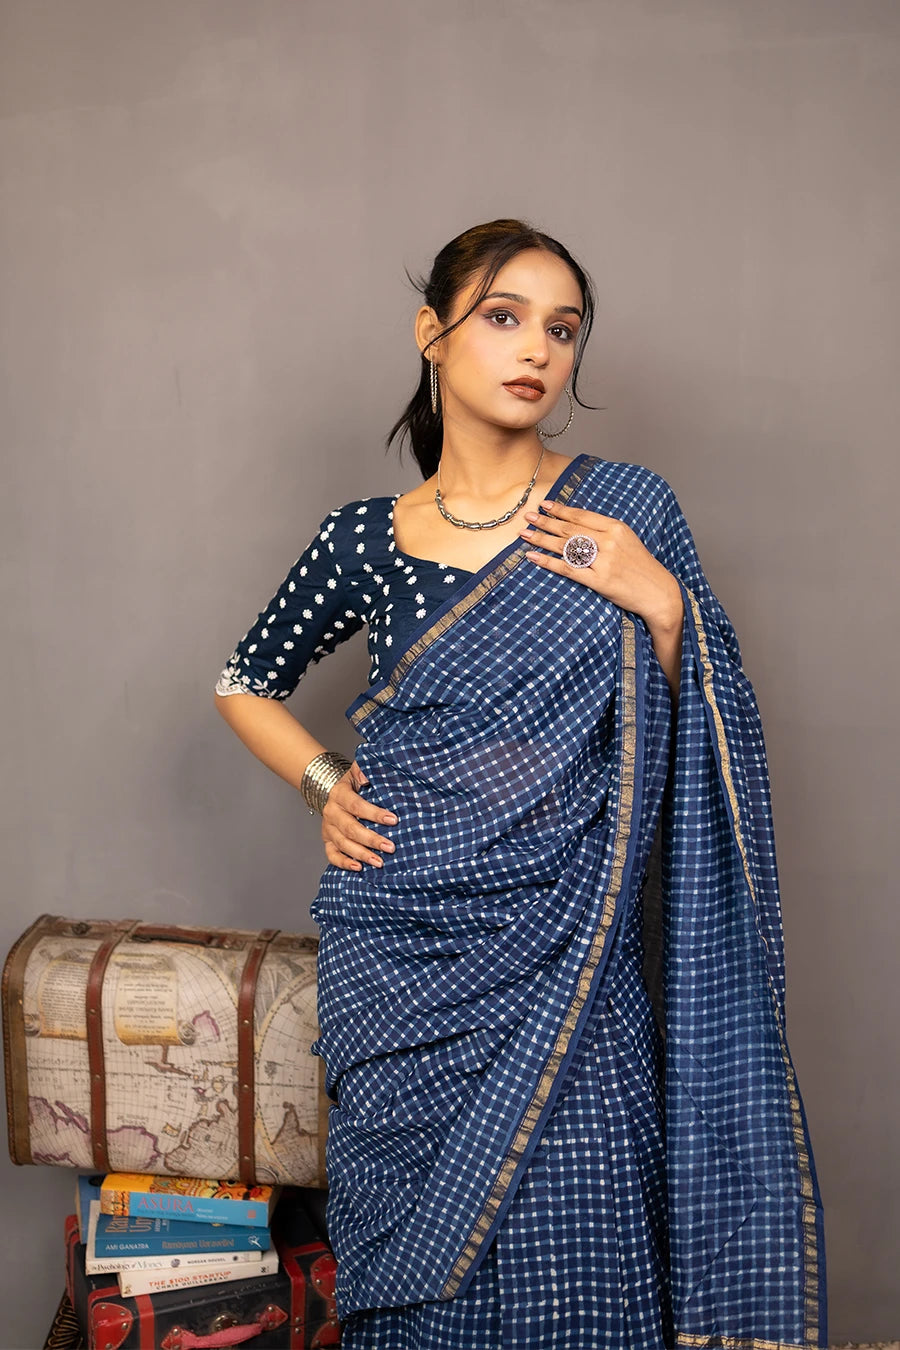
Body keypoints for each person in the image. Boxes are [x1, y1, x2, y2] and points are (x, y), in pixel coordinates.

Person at [214, 219, 826, 1349]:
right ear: (431, 336)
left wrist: (663, 602)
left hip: (567, 944)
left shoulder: (627, 512)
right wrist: (323, 785)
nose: (536, 349)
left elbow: (716, 718)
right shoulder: (365, 539)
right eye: (502, 317)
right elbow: (243, 680)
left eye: (562, 328)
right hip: (400, 942)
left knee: (586, 1201)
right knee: (408, 1248)